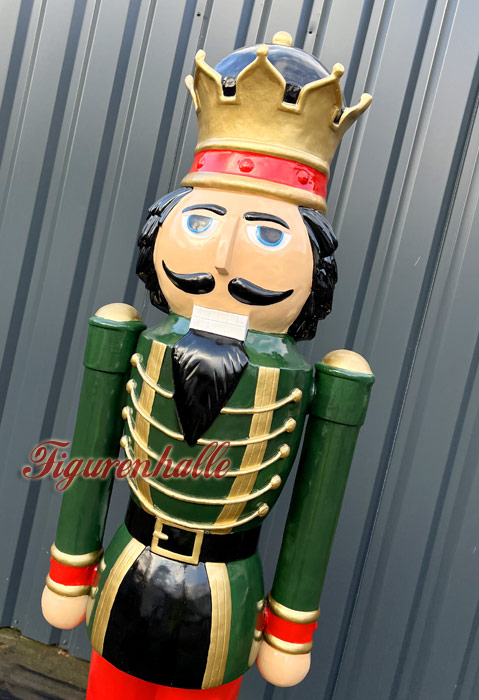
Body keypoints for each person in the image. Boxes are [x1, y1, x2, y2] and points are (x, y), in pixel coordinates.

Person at [41, 30, 374, 699]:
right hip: (128, 567)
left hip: (227, 592)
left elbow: (315, 508)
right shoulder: (129, 337)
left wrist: (290, 625)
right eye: (201, 223)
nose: (222, 258)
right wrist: (71, 568)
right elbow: (93, 447)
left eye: (267, 234)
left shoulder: (319, 379)